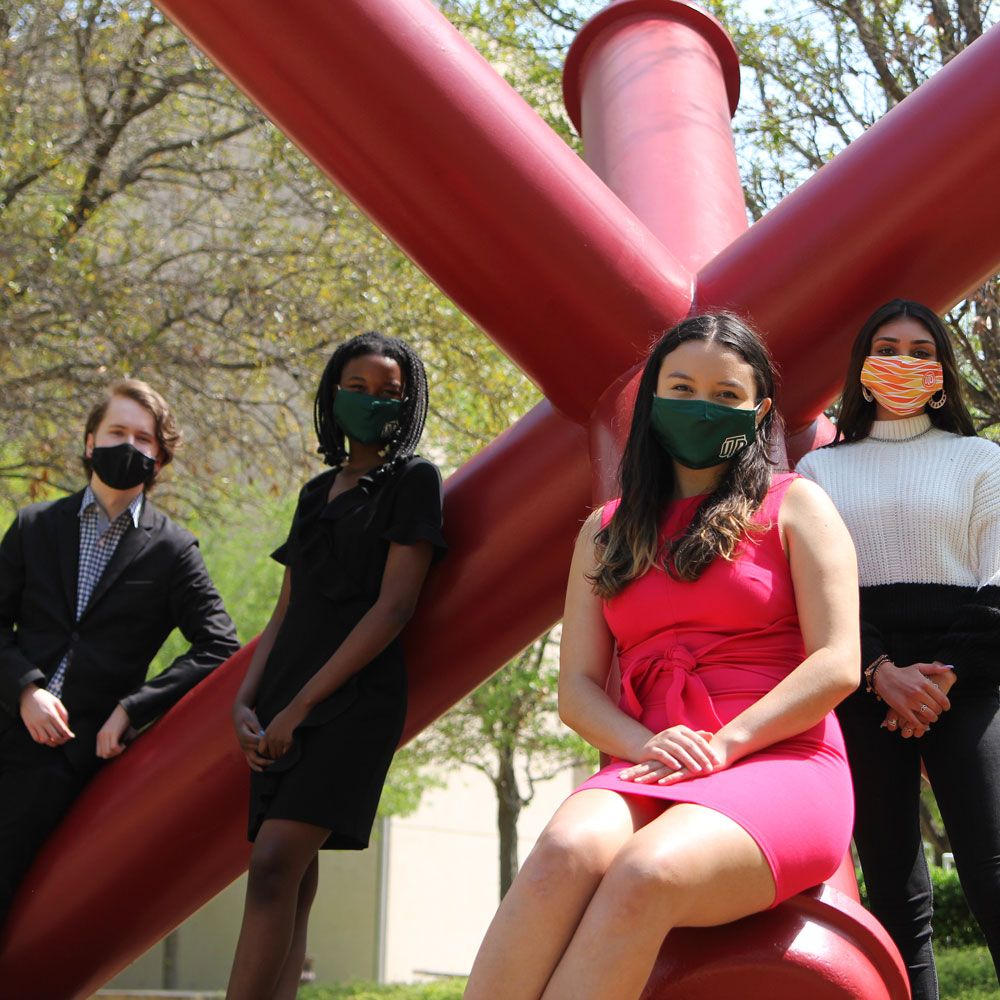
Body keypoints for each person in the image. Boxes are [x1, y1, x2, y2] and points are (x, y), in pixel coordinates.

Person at [463, 313, 859, 1000]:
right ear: (651, 401)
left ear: (760, 413)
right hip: (652, 759)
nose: (702, 406)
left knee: (646, 873)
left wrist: (728, 743)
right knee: (562, 856)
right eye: (682, 387)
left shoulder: (799, 507)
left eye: (726, 395)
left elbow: (837, 662)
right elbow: (578, 689)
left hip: (780, 757)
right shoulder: (603, 531)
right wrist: (648, 745)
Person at [226, 331, 446, 1000]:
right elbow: (285, 613)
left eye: (388, 392)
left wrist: (302, 707)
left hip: (352, 702)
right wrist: (246, 699)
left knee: (271, 868)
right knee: (292, 880)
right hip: (282, 700)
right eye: (357, 388)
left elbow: (395, 609)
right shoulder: (316, 493)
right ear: (332, 395)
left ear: (407, 405)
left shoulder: (415, 480)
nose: (371, 401)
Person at [795, 298, 1000, 999]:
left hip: (968, 685)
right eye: (888, 348)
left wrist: (938, 680)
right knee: (893, 892)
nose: (904, 363)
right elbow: (819, 595)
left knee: (994, 872)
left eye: (920, 351)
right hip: (862, 687)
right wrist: (881, 673)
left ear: (942, 372)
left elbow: (999, 583)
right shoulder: (819, 472)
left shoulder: (982, 459)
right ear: (860, 369)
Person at [0, 378, 240, 923]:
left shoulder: (174, 551)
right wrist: (25, 689)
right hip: (8, 721)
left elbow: (220, 645)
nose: (128, 446)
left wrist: (135, 706)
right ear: (89, 442)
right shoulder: (34, 525)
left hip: (70, 762)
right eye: (116, 432)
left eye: (143, 438)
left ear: (159, 457)